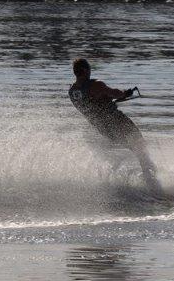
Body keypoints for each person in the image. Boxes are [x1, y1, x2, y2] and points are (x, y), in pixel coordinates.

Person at [68, 58, 160, 192]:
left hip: (102, 127)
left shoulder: (72, 92)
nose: (90, 72)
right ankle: (151, 179)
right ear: (85, 70)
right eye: (89, 69)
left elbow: (94, 103)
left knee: (133, 147)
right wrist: (125, 93)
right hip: (116, 121)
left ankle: (144, 175)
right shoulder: (96, 85)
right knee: (140, 145)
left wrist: (109, 99)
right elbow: (114, 93)